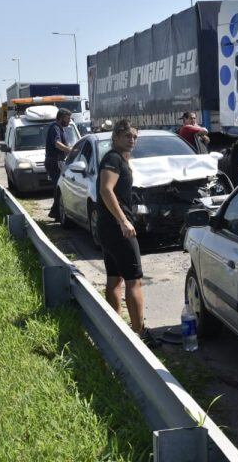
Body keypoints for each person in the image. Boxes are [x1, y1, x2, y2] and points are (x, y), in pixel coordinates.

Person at [96, 119, 150, 344]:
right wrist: (123, 221)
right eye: (128, 136)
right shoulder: (113, 159)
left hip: (108, 229)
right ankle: (140, 335)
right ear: (116, 137)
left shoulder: (118, 159)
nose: (132, 140)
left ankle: (116, 329)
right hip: (118, 230)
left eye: (135, 137)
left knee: (114, 278)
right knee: (134, 280)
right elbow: (106, 190)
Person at [46, 108, 73, 219]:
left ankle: (55, 211)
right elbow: (57, 143)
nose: (69, 121)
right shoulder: (55, 128)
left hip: (57, 161)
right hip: (54, 161)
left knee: (59, 187)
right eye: (68, 118)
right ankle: (56, 212)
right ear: (61, 117)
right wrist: (70, 150)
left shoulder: (60, 128)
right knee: (59, 187)